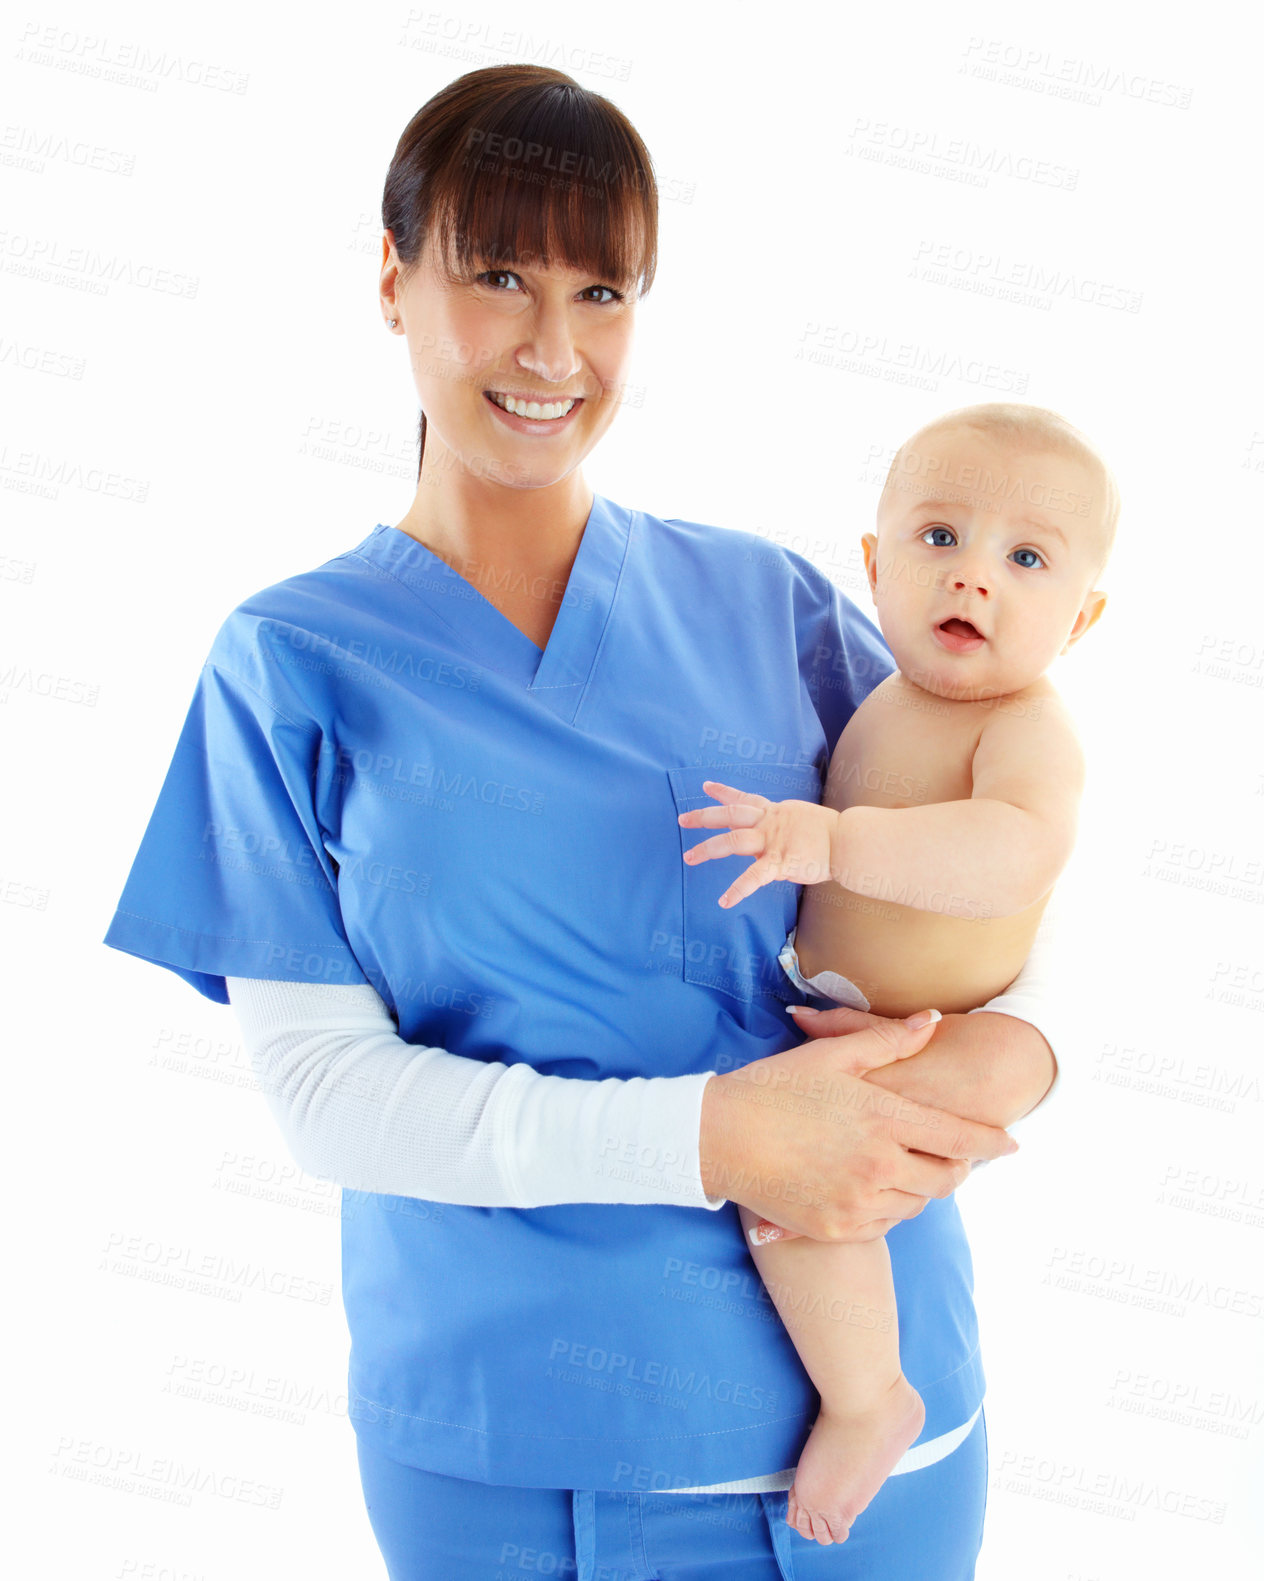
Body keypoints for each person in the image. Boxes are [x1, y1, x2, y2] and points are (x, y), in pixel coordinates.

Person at [102, 65, 1066, 1578]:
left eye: (602, 291)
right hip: (511, 1449)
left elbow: (1009, 873)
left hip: (883, 1434)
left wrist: (1035, 1053)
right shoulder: (293, 664)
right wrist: (715, 1135)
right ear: (390, 281)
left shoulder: (779, 607)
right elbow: (326, 1097)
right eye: (497, 276)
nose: (555, 349)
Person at [678, 402, 1115, 1543]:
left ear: (1084, 615)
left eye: (1025, 559)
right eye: (938, 539)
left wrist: (833, 841)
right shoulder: (885, 689)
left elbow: (1018, 851)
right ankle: (865, 1392)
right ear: (872, 565)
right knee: (790, 1171)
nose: (973, 579)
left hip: (923, 1038)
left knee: (796, 1187)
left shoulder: (1024, 726)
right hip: (839, 1016)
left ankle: (869, 1397)